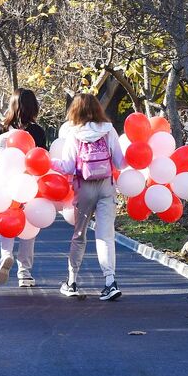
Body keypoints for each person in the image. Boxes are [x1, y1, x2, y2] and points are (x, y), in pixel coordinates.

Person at [51, 94, 124, 301]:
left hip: (83, 188)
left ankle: (72, 281)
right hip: (106, 187)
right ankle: (110, 282)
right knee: (105, 236)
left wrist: (49, 162)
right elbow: (119, 162)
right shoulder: (108, 130)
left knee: (79, 234)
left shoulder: (73, 133)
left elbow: (67, 166)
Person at [0, 88, 48, 287]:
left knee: (7, 221)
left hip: (3, 184)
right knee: (29, 225)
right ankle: (24, 272)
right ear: (33, 107)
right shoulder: (37, 132)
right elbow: (43, 160)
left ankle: (6, 255)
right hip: (29, 185)